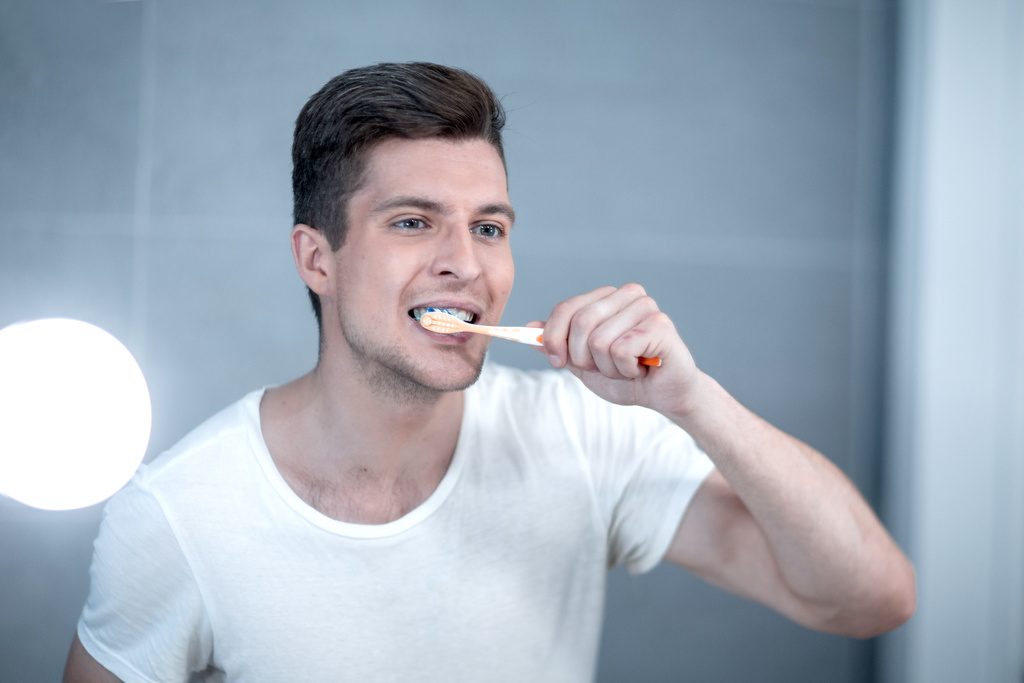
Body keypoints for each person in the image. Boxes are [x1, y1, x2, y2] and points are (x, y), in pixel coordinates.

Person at [63, 62, 915, 683]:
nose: (465, 265)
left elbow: (870, 596)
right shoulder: (179, 517)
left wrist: (693, 402)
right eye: (412, 222)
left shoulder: (580, 438)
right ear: (317, 258)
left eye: (490, 227)